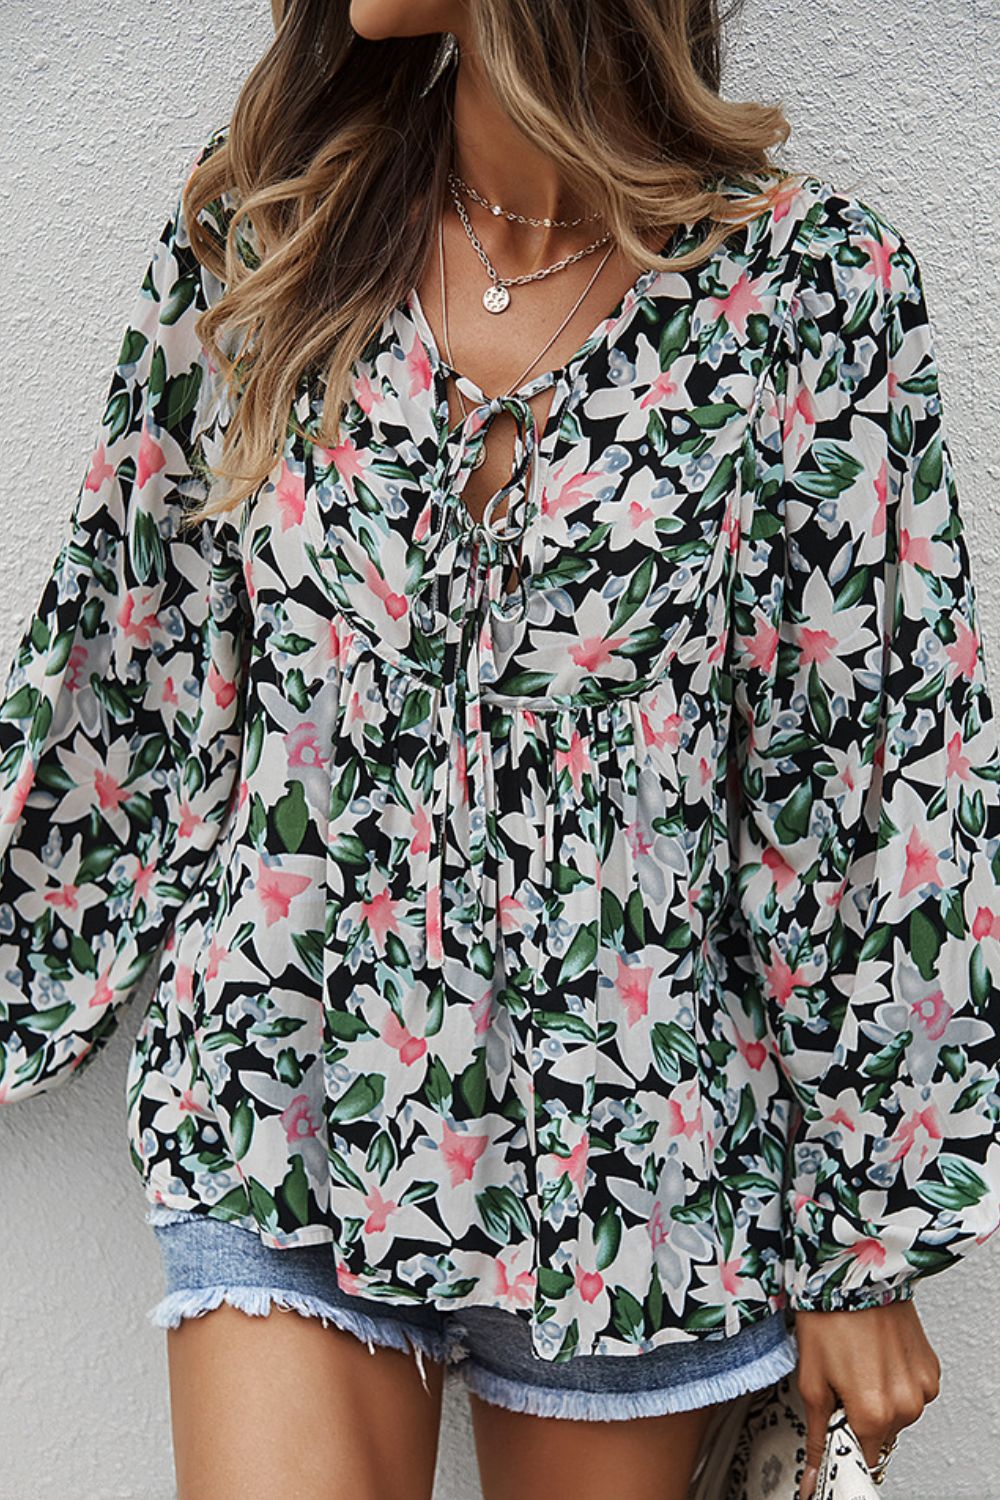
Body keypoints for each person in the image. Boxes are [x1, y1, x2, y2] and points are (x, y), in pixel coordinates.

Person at [1, 3, 998, 1497]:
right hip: (286, 1088)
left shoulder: (812, 292)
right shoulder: (271, 226)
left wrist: (872, 1231)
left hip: (635, 1157)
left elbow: (870, 780)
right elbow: (126, 652)